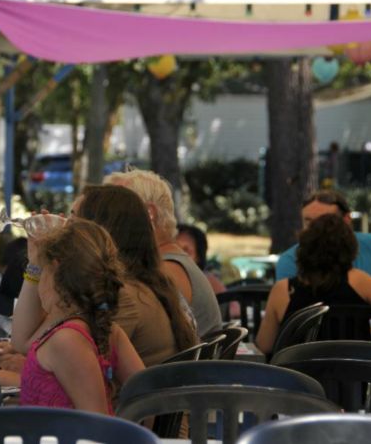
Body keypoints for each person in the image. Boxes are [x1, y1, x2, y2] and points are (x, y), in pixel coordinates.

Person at [18, 219, 144, 413]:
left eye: (41, 270)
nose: (38, 279)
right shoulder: (100, 329)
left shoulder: (68, 340)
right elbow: (149, 392)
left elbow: (96, 420)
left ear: (55, 268)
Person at [256, 214, 371, 354]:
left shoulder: (283, 290)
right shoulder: (358, 281)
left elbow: (264, 345)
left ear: (302, 248)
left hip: (298, 377)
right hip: (357, 375)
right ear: (351, 249)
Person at [76, 185, 197, 366]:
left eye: (75, 221)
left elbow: (77, 368)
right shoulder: (147, 284)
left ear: (100, 233)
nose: (66, 230)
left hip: (132, 386)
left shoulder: (124, 296)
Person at [105, 170, 222, 336]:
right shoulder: (172, 263)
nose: (106, 221)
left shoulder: (163, 271)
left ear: (149, 213)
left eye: (115, 210)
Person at [274, 190, 371, 313]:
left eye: (326, 222)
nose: (316, 229)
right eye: (308, 222)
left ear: (347, 220)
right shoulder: (290, 260)